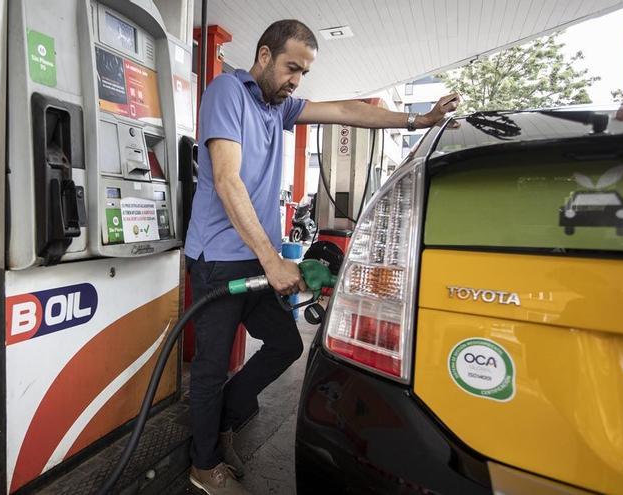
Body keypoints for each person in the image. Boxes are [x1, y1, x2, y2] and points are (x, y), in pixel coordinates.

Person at [184, 19, 459, 494]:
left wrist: (419, 121)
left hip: (256, 257)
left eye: (304, 73)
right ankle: (202, 463)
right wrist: (273, 259)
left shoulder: (279, 106)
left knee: (286, 345)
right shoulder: (228, 92)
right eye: (292, 67)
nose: (296, 80)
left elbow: (349, 111)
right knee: (210, 367)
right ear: (265, 56)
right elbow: (228, 181)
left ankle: (224, 421)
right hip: (220, 258)